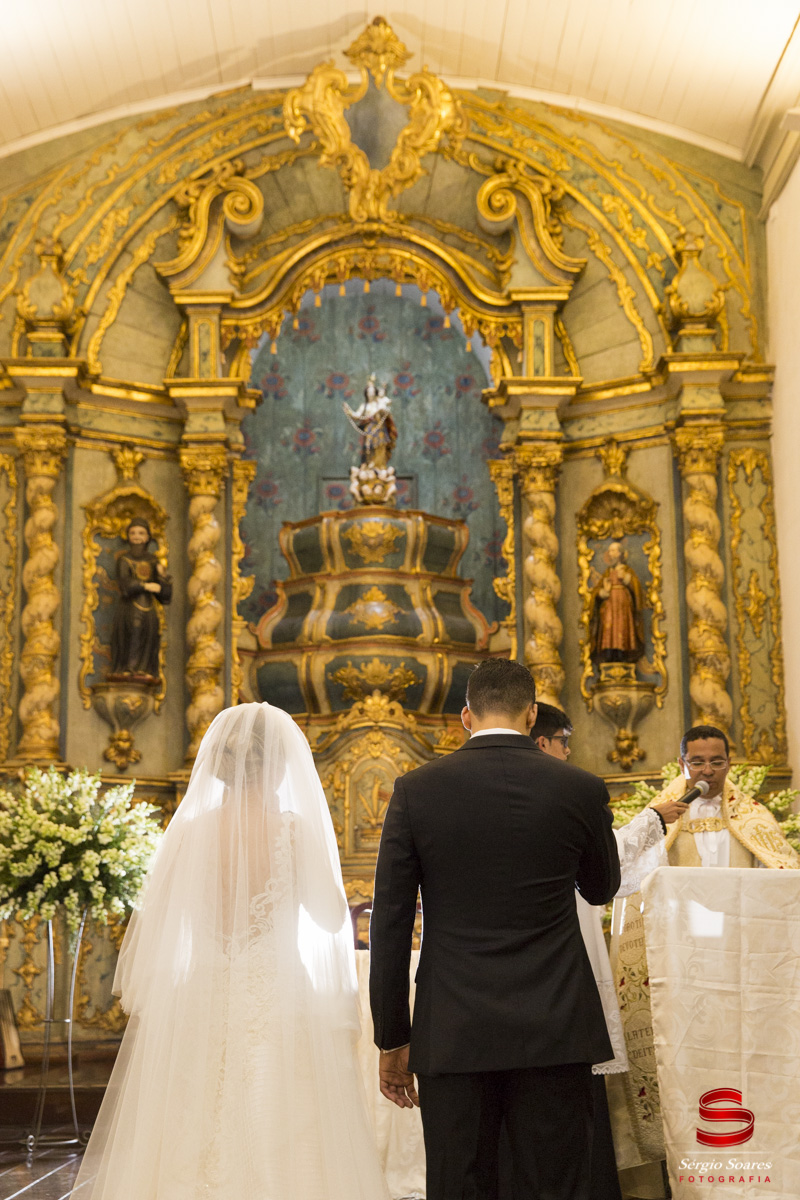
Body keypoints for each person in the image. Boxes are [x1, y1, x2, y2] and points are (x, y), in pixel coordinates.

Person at [73, 702, 390, 1200]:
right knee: (280, 1111)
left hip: (200, 992)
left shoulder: (189, 833)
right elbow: (332, 919)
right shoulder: (293, 831)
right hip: (277, 995)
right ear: (281, 765)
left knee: (191, 1111)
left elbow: (161, 920)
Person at [369, 659, 621, 1200]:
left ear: (466, 716)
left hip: (454, 1026)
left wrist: (392, 1037)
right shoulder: (580, 787)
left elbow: (390, 922)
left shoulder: (416, 790)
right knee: (556, 1184)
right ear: (531, 715)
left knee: (460, 1183)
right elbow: (601, 888)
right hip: (556, 1022)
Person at [527, 703, 687, 1200]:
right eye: (564, 742)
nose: (568, 752)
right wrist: (652, 819)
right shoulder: (568, 793)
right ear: (542, 742)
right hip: (561, 959)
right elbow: (603, 863)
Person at [652, 724, 799, 868]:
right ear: (682, 765)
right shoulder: (661, 816)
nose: (708, 771)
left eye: (717, 763)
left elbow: (779, 870)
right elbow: (646, 872)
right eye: (697, 763)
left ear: (728, 764)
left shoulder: (752, 815)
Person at [109, 518, 171, 680]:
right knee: (133, 633)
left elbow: (165, 596)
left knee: (149, 637)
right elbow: (125, 584)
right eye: (133, 533)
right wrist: (145, 586)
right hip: (130, 608)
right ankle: (129, 669)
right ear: (128, 536)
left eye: (141, 533)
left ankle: (144, 669)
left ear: (148, 537)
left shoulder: (153, 561)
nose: (137, 536)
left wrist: (163, 577)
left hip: (149, 610)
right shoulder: (124, 560)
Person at [590, 540, 644, 664]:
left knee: (622, 626)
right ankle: (609, 653)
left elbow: (637, 588)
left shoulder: (627, 570)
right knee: (608, 627)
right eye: (609, 551)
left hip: (622, 604)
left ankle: (622, 653)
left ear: (620, 554)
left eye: (613, 551)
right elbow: (597, 590)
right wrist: (603, 591)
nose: (610, 554)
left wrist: (626, 578)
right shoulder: (607, 572)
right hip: (609, 605)